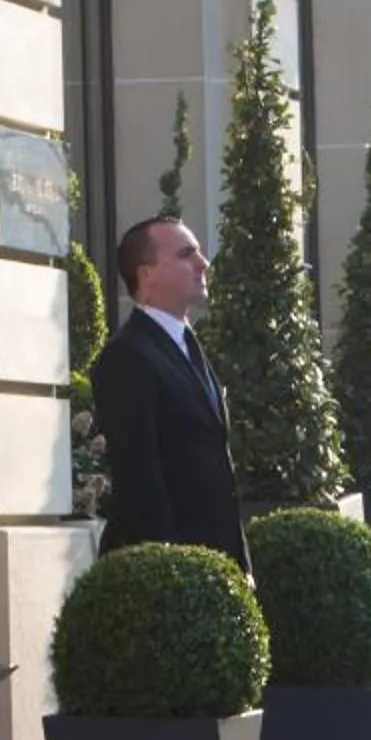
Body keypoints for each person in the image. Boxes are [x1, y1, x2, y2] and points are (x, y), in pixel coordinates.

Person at [89, 213, 250, 573]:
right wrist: (173, 571)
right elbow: (140, 476)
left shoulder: (188, 346)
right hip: (170, 577)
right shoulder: (127, 356)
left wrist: (242, 565)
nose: (202, 263)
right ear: (147, 275)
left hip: (216, 567)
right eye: (185, 254)